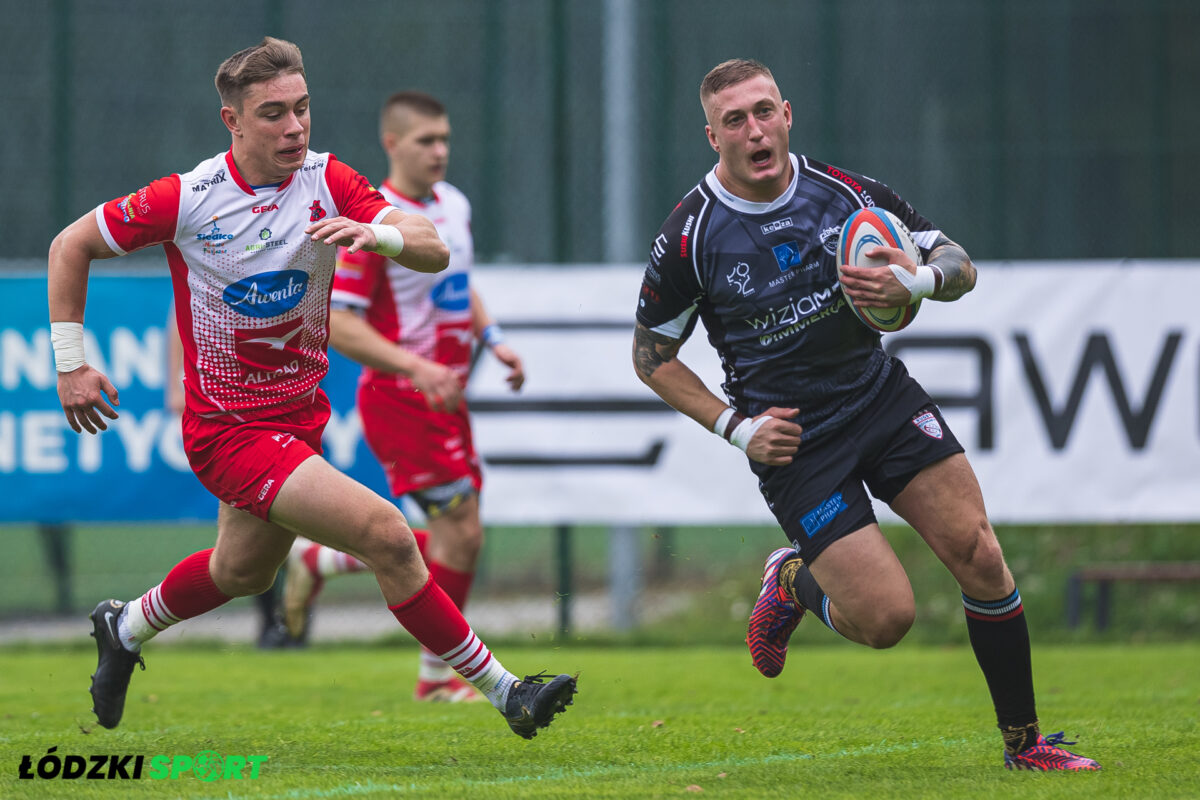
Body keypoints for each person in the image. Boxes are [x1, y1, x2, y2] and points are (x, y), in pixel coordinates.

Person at [48, 37, 576, 738]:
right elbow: (69, 245)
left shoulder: (329, 180)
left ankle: (126, 626)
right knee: (389, 535)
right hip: (229, 431)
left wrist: (378, 234)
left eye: (302, 109)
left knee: (242, 572)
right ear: (230, 120)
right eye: (273, 114)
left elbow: (429, 244)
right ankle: (507, 690)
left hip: (299, 419)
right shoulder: (191, 198)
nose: (294, 127)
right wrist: (70, 362)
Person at [631, 58, 1099, 771]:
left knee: (979, 552)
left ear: (787, 115)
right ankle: (792, 581)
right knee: (886, 621)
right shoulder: (690, 237)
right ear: (712, 136)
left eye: (764, 112)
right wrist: (737, 427)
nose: (754, 130)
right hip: (795, 443)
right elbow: (651, 358)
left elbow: (957, 262)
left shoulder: (846, 195)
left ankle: (1025, 744)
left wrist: (919, 278)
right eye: (735, 120)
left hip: (880, 399)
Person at [279, 91, 525, 705]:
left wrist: (491, 340)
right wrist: (420, 366)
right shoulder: (374, 226)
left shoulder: (453, 207)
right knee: (461, 535)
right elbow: (341, 324)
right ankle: (436, 679)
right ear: (392, 144)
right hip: (402, 394)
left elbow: (459, 283)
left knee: (456, 537)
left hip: (446, 391)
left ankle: (319, 562)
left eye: (444, 138)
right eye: (425, 141)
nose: (439, 151)